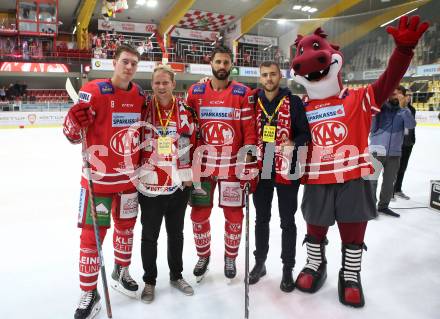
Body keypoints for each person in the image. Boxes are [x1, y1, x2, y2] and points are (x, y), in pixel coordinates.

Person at [290, 16, 427, 307]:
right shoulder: (301, 107)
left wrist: (403, 51)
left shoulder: (360, 98)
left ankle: (350, 274)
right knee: (315, 226)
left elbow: (390, 79)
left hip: (353, 177)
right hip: (316, 178)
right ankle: (315, 264)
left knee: (353, 228)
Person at [63, 44, 146, 319]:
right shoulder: (95, 91)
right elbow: (72, 134)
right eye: (125, 61)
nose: (130, 67)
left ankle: (121, 270)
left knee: (126, 230)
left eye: (134, 63)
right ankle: (89, 291)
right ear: (114, 62)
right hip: (97, 181)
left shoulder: (139, 95)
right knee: (90, 240)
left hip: (128, 180)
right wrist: (74, 121)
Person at [186, 45, 257, 281]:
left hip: (232, 169)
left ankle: (230, 257)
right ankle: (203, 255)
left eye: (226, 62)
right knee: (198, 215)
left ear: (232, 65)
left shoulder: (243, 93)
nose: (222, 67)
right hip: (203, 167)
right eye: (218, 62)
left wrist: (248, 166)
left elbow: (249, 131)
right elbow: (186, 127)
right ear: (211, 64)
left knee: (234, 217)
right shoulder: (195, 92)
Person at [248, 61, 310, 292]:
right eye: (264, 75)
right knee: (261, 219)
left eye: (273, 74)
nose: (269, 79)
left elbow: (306, 133)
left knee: (287, 221)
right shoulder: (253, 100)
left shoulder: (293, 101)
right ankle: (260, 263)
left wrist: (294, 142)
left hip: (287, 164)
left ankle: (287, 268)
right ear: (260, 78)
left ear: (280, 77)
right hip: (263, 164)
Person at [138, 65, 196, 303]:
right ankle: (150, 281)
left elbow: (192, 141)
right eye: (156, 83)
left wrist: (190, 175)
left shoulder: (185, 110)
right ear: (152, 84)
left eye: (165, 82)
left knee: (176, 234)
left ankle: (176, 275)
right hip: (150, 186)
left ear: (174, 84)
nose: (161, 87)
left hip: (177, 185)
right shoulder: (144, 109)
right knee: (149, 236)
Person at [370, 86, 416, 217]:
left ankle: (383, 206)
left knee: (389, 183)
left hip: (395, 153)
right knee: (371, 181)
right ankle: (371, 207)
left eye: (398, 94)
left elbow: (411, 125)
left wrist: (404, 108)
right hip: (376, 151)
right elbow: (371, 127)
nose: (396, 97)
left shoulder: (404, 111)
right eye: (393, 94)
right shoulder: (379, 108)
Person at [393, 87, 416, 200]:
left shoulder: (412, 109)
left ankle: (397, 189)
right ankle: (390, 192)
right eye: (407, 95)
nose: (409, 97)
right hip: (398, 143)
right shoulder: (396, 108)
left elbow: (411, 127)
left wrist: (412, 140)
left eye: (411, 95)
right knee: (394, 168)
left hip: (408, 143)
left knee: (402, 168)